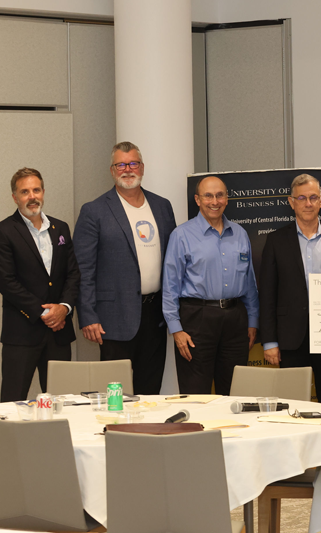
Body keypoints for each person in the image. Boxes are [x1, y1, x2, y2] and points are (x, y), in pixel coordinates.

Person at [73, 141, 176, 394]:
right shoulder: (94, 211)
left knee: (150, 390)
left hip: (156, 316)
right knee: (114, 395)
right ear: (112, 170)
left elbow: (173, 262)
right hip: (112, 319)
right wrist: (88, 316)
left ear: (142, 168)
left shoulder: (162, 206)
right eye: (120, 164)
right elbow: (83, 269)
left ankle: (145, 434)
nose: (127, 169)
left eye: (132, 164)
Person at [259, 174, 321, 406]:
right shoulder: (275, 241)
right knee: (291, 404)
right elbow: (267, 294)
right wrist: (269, 342)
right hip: (290, 338)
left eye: (313, 197)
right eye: (301, 198)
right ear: (291, 202)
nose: (308, 203)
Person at [162, 176, 259, 395]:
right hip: (196, 320)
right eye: (208, 196)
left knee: (235, 392)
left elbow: (249, 283)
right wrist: (176, 329)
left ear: (226, 198)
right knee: (196, 394)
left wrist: (253, 320)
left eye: (219, 195)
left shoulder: (240, 234)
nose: (214, 201)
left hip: (236, 320)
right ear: (197, 199)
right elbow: (170, 286)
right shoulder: (181, 235)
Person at [0, 168, 80, 402]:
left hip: (59, 333)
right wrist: (46, 312)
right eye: (25, 192)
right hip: (22, 334)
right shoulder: (4, 231)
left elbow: (73, 274)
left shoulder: (60, 228)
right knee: (11, 403)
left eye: (36, 190)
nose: (32, 196)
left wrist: (63, 308)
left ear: (43, 192)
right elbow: (6, 281)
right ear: (15, 197)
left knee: (61, 402)